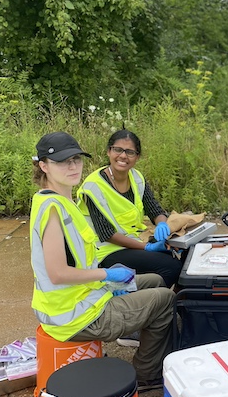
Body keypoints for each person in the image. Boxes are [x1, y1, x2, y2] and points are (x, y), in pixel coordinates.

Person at [30, 131, 174, 392]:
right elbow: (58, 273)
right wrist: (106, 277)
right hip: (74, 316)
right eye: (62, 162)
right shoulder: (53, 208)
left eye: (76, 159)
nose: (72, 166)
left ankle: (139, 332)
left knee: (154, 279)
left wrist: (104, 279)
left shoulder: (61, 200)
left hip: (81, 297)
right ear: (43, 166)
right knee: (164, 299)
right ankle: (145, 374)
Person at [77, 129, 182, 348]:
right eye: (118, 150)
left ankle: (173, 313)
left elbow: (155, 209)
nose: (123, 156)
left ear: (137, 157)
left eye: (130, 152)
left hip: (134, 241)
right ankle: (135, 323)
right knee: (169, 267)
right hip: (105, 251)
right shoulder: (93, 186)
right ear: (108, 152)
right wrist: (147, 248)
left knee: (183, 253)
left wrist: (162, 222)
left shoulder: (136, 178)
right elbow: (107, 234)